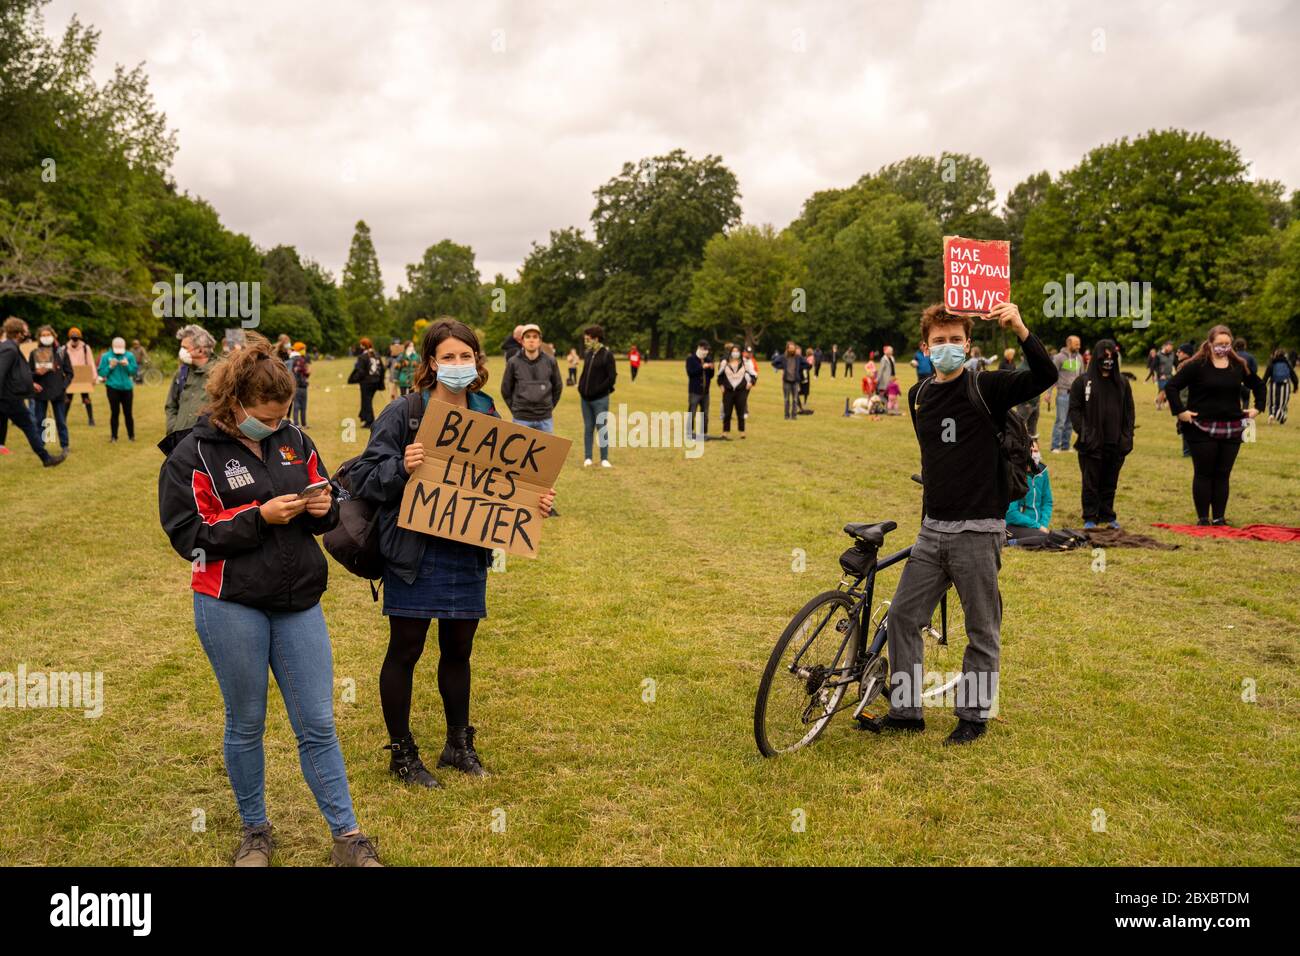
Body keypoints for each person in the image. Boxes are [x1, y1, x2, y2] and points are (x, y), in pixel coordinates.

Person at [157, 332, 380, 866]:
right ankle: (255, 831)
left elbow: (325, 512)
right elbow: (187, 534)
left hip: (298, 597)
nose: (276, 423)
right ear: (234, 403)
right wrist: (259, 518)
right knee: (247, 721)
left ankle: (348, 838)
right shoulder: (192, 452)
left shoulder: (294, 440)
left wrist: (323, 505)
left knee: (318, 723)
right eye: (266, 415)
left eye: (282, 415)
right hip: (230, 600)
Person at [348, 319, 556, 790]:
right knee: (406, 649)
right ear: (430, 363)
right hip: (413, 553)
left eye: (465, 356)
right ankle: (402, 753)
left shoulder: (487, 412)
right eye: (448, 356)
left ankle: (457, 744)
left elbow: (511, 484)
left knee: (458, 650)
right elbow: (363, 476)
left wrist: (537, 500)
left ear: (477, 363)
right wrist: (402, 466)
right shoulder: (405, 412)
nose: (457, 365)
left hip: (466, 550)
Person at [871, 301, 1057, 746]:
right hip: (933, 531)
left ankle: (973, 716)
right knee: (902, 617)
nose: (948, 347)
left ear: (968, 345)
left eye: (956, 340)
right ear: (925, 347)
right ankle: (906, 711)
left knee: (981, 628)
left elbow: (1045, 377)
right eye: (940, 342)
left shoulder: (986, 387)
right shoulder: (918, 397)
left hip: (979, 530)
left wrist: (1020, 329)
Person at [1164, 325, 1265, 525]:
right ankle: (1203, 518)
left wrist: (1258, 408)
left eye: (1227, 344)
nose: (1223, 347)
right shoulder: (1197, 365)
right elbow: (1172, 386)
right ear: (1210, 344)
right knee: (1204, 472)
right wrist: (1180, 411)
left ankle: (1219, 517)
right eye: (1219, 344)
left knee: (1223, 474)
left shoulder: (1238, 365)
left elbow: (1259, 385)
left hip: (1232, 427)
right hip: (1200, 427)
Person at [1069, 338, 1134, 529]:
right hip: (1091, 443)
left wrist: (1127, 436)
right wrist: (1084, 432)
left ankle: (1107, 514)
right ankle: (1090, 515)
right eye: (1104, 356)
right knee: (1091, 481)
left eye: (1111, 356)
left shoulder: (1122, 383)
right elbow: (1075, 410)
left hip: (1115, 442)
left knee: (1110, 481)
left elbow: (1129, 412)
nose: (1108, 360)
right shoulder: (1082, 383)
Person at [1, 317, 66, 467]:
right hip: (9, 398)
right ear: (18, 333)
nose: (27, 332)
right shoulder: (9, 349)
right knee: (29, 425)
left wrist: (31, 383)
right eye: (25, 330)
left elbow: (14, 374)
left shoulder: (10, 346)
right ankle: (46, 459)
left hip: (6, 396)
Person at [502, 322, 563, 433]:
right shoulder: (513, 362)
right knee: (520, 450)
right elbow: (506, 389)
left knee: (547, 450)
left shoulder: (550, 361)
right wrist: (516, 409)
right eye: (528, 336)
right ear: (522, 341)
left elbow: (557, 386)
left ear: (540, 341)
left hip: (545, 419)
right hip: (521, 419)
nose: (531, 340)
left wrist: (548, 407)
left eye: (535, 337)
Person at [166, 324, 218, 437]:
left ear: (200, 350)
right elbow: (171, 405)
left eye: (185, 348)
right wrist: (173, 428)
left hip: (207, 446)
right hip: (179, 444)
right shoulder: (181, 373)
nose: (181, 351)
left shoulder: (221, 374)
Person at [29, 325, 72, 455]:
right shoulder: (34, 353)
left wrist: (63, 386)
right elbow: (27, 374)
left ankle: (65, 445)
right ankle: (40, 446)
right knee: (40, 420)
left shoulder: (61, 353)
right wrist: (36, 373)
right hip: (40, 392)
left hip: (58, 392)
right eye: (43, 335)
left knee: (60, 420)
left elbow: (70, 373)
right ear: (39, 338)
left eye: (48, 335)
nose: (46, 337)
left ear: (53, 336)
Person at [577, 324, 616, 467]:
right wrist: (581, 387)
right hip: (585, 399)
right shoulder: (588, 354)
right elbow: (584, 373)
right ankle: (588, 457)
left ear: (596, 338)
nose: (586, 341)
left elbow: (611, 378)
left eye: (588, 338)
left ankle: (604, 458)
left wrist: (597, 390)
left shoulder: (607, 355)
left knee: (601, 427)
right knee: (588, 428)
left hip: (600, 399)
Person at [1005, 439, 1054, 545]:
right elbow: (1011, 514)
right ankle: (1010, 543)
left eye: (1036, 451)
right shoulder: (1013, 474)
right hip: (1013, 526)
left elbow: (1047, 502)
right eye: (1031, 451)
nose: (1034, 454)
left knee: (1049, 536)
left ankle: (1017, 542)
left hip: (1036, 527)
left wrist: (1043, 524)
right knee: (1046, 537)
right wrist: (1037, 526)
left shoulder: (1043, 472)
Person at [97, 336, 137, 442]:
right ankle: (114, 437)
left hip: (127, 388)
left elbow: (134, 371)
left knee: (128, 413)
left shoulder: (129, 355)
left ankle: (131, 436)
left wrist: (127, 365)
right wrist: (110, 366)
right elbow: (101, 373)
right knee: (115, 412)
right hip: (112, 388)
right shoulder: (106, 356)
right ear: (112, 346)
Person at [1050, 335, 1083, 452]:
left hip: (1075, 395)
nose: (1079, 346)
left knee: (1070, 422)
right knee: (1061, 421)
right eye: (1076, 344)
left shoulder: (1079, 358)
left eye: (1079, 343)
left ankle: (1065, 446)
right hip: (1063, 394)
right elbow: (1052, 377)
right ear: (1068, 344)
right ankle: (1055, 446)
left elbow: (1082, 376)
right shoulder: (1059, 358)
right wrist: (1049, 394)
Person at [717, 345, 754, 437]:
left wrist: (751, 383)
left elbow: (753, 375)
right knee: (727, 412)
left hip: (741, 391)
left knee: (740, 412)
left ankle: (742, 431)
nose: (735, 353)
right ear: (730, 352)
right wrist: (721, 385)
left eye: (737, 351)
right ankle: (725, 431)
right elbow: (720, 376)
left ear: (740, 352)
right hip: (728, 392)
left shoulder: (745, 363)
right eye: (733, 351)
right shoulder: (725, 363)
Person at [63, 327, 96, 426]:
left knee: (86, 398)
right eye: (73, 338)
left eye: (76, 338)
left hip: (83, 375)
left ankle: (91, 419)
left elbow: (91, 362)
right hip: (70, 375)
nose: (75, 340)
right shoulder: (64, 348)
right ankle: (63, 419)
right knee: (67, 399)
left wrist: (93, 377)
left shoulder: (85, 348)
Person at [351, 337, 385, 429]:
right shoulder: (376, 354)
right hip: (376, 381)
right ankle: (366, 418)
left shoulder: (363, 356)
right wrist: (380, 381)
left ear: (363, 345)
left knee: (367, 401)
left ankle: (370, 421)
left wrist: (355, 379)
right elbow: (382, 368)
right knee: (368, 401)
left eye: (361, 344)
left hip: (367, 382)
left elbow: (360, 371)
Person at [685, 340, 714, 439]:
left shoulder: (708, 359)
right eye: (704, 349)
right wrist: (702, 367)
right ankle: (689, 432)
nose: (705, 351)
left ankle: (703, 432)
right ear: (699, 348)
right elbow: (690, 373)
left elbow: (711, 376)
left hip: (705, 392)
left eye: (707, 349)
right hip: (695, 391)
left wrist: (711, 368)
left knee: (705, 413)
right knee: (692, 412)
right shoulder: (691, 359)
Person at [1265, 347, 1297, 424]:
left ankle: (1272, 414)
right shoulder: (1288, 363)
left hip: (1273, 384)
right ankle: (1281, 416)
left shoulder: (1272, 363)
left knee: (1272, 403)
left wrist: (1262, 386)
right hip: (1285, 385)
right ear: (1285, 355)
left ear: (1275, 355)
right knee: (1282, 404)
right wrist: (1295, 386)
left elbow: (1266, 376)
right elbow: (1293, 376)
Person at [776, 341, 802, 420]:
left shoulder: (798, 357)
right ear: (787, 349)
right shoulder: (783, 357)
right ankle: (786, 416)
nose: (792, 350)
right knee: (786, 399)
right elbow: (774, 363)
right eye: (790, 348)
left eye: (793, 348)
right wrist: (782, 367)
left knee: (795, 400)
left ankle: (794, 416)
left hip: (795, 381)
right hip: (786, 381)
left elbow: (806, 363)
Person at [290, 341, 311, 427]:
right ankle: (304, 424)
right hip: (302, 386)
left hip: (295, 386)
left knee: (296, 406)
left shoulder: (291, 359)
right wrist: (308, 371)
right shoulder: (301, 360)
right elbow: (306, 373)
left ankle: (296, 423)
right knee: (303, 406)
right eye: (303, 349)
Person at [1154, 341, 1176, 409]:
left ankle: (1167, 404)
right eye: (1169, 347)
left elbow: (1176, 363)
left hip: (1170, 375)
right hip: (1161, 376)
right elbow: (1155, 366)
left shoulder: (1172, 354)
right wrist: (1160, 375)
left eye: (1171, 347)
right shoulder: (1158, 355)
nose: (1170, 348)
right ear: (1165, 346)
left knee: (1170, 390)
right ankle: (1158, 404)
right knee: (1162, 390)